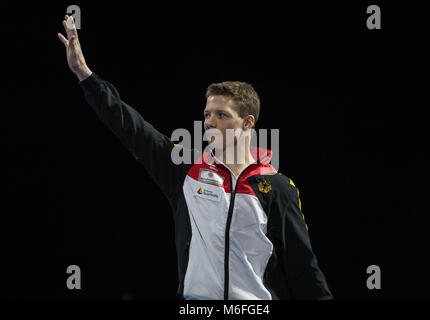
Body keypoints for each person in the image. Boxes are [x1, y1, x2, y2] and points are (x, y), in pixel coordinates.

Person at [58, 14, 332, 300]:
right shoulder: (185, 171)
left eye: (221, 115)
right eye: (207, 114)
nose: (209, 122)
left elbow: (304, 271)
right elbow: (132, 129)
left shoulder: (277, 188)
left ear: (248, 123)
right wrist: (85, 75)